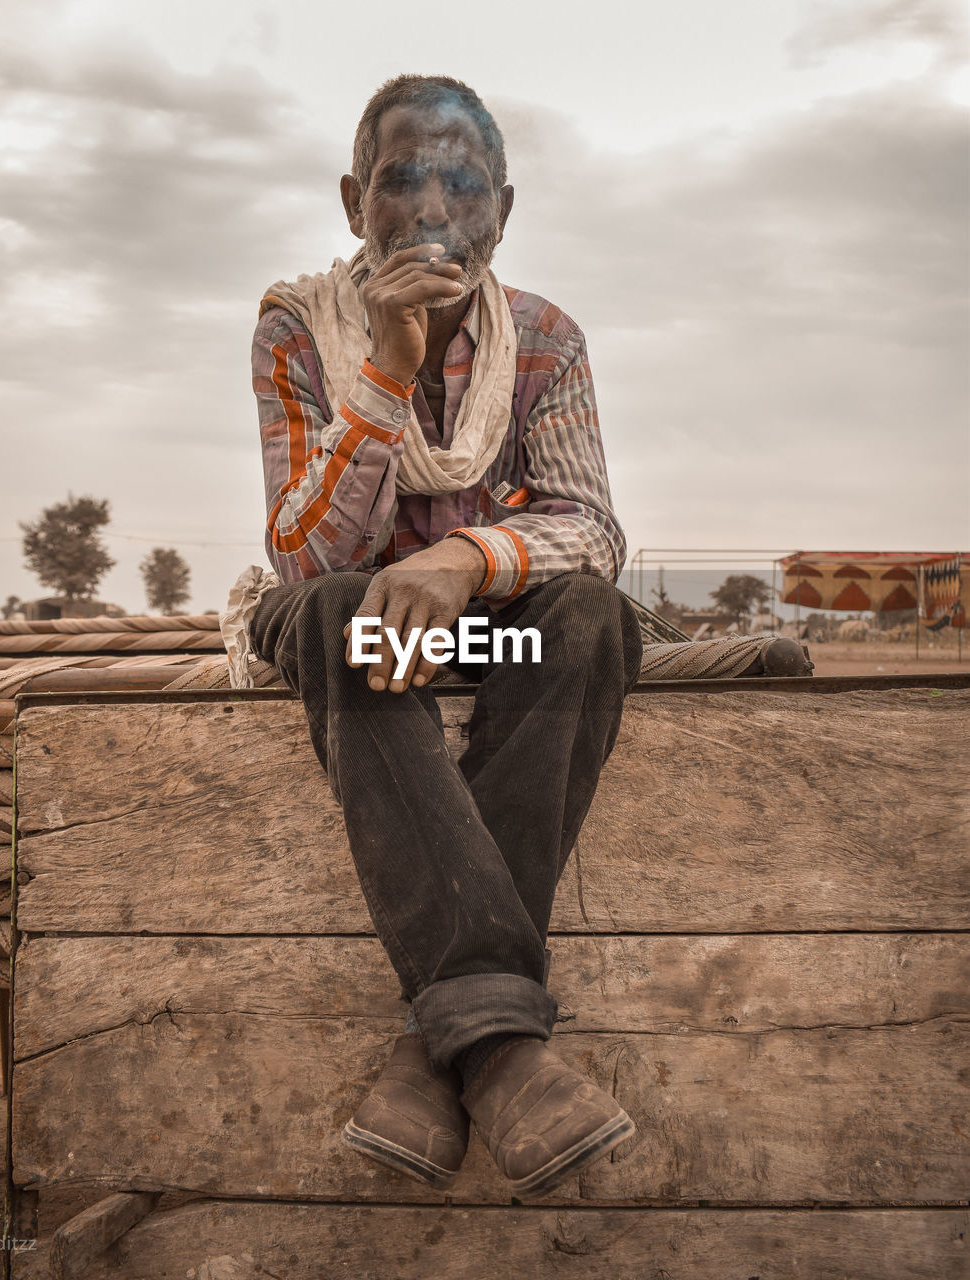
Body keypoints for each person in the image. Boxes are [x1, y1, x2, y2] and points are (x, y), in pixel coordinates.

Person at [247, 74, 642, 1198]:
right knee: (329, 614)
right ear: (351, 200)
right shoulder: (295, 324)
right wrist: (385, 368)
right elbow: (304, 557)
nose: (429, 209)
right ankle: (503, 1047)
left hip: (489, 644)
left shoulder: (546, 340)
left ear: (501, 212)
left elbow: (589, 528)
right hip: (368, 660)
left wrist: (464, 555)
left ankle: (447, 1046)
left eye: (461, 185)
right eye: (398, 181)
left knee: (585, 622)